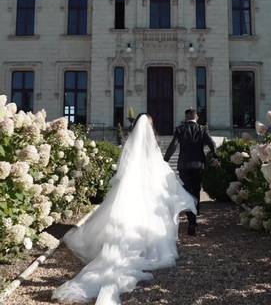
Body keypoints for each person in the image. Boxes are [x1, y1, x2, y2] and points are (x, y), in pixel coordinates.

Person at [52, 113, 196, 305]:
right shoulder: (152, 145)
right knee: (149, 217)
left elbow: (123, 168)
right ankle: (146, 243)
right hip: (148, 189)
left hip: (130, 188)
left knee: (124, 218)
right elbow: (159, 168)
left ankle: (120, 245)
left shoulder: (130, 143)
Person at [164, 108, 218, 236]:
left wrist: (165, 160)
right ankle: (194, 217)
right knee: (196, 191)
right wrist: (215, 155)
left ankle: (191, 220)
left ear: (186, 117)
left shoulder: (180, 129)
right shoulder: (202, 129)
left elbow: (173, 145)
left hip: (184, 165)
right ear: (196, 117)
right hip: (199, 165)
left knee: (187, 192)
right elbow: (212, 144)